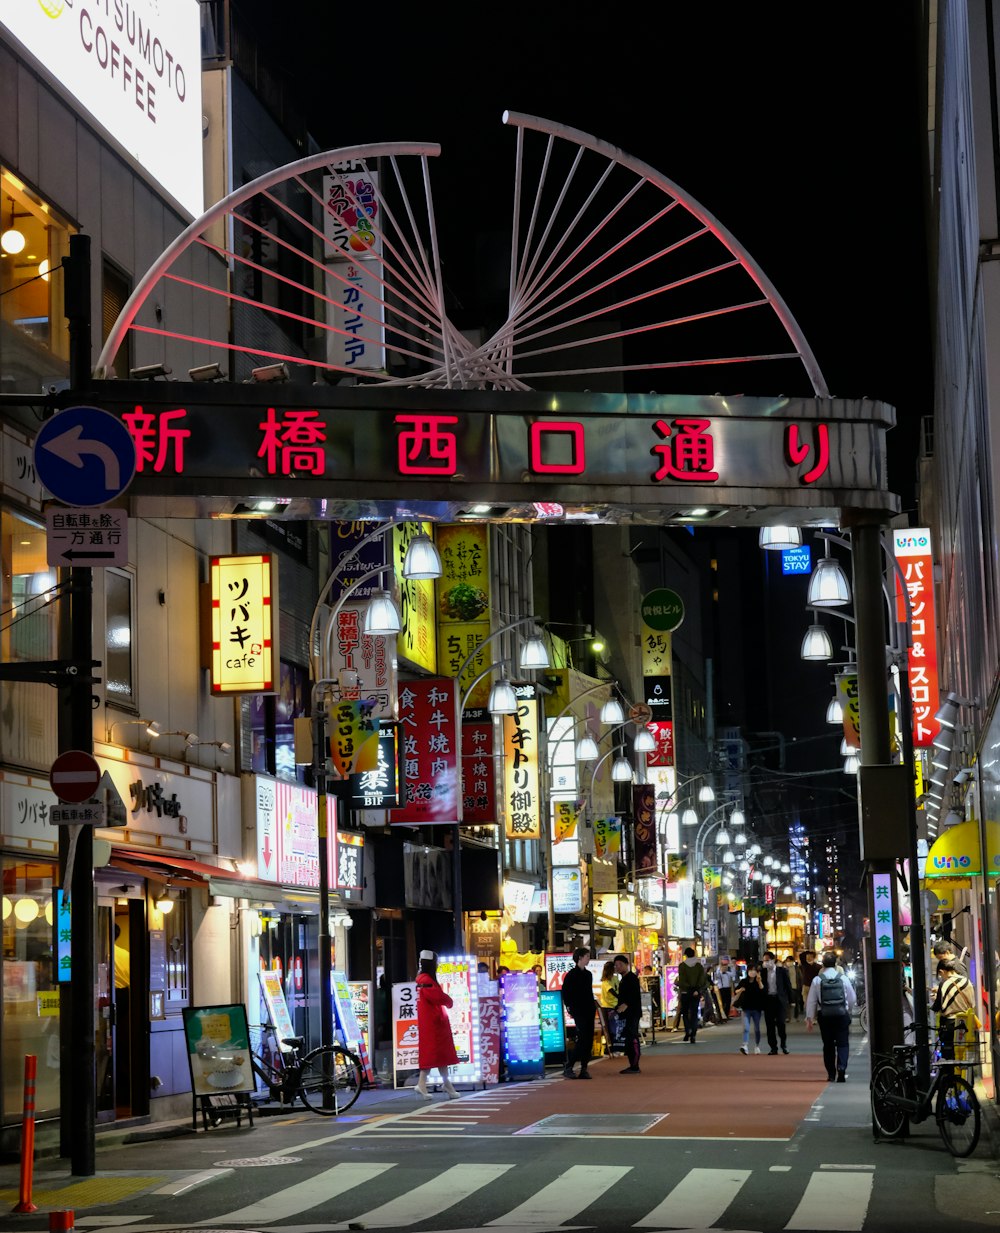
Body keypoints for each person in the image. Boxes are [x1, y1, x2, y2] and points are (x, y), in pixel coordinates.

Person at [414, 950, 459, 1099]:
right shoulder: (425, 980)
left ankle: (440, 1084)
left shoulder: (422, 979)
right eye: (436, 962)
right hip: (433, 1023)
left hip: (432, 1021)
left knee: (438, 1055)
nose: (438, 965)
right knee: (435, 1054)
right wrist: (449, 1000)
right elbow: (437, 996)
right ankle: (433, 1084)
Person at [804, 949, 856, 1081]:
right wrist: (847, 1010)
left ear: (823, 965)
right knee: (843, 1044)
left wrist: (810, 1018)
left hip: (825, 1016)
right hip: (841, 1015)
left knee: (828, 1045)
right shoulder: (843, 978)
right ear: (836, 964)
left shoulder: (817, 980)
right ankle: (842, 1068)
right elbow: (852, 998)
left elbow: (811, 1001)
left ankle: (831, 1074)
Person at [561, 946, 596, 1079]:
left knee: (588, 1039)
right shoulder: (571, 975)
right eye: (587, 956)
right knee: (582, 1038)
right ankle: (570, 1065)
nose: (588, 959)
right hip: (579, 1010)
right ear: (580, 958)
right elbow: (566, 993)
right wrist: (570, 1007)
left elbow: (588, 992)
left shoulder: (588, 974)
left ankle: (584, 1068)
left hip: (588, 1009)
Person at [931, 959, 975, 1059]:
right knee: (963, 1053)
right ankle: (964, 1073)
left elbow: (937, 1007)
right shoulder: (967, 982)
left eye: (940, 974)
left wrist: (935, 997)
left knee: (949, 1054)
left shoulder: (944, 984)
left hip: (950, 1024)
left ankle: (951, 1073)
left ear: (942, 971)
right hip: (966, 1022)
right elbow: (972, 1003)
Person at [613, 954, 642, 1073]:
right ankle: (632, 1064)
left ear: (627, 964)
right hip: (627, 1013)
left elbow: (634, 996)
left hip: (632, 1013)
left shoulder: (631, 978)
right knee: (629, 1038)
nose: (618, 967)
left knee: (632, 1037)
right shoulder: (624, 979)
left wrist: (626, 1004)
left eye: (620, 964)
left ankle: (635, 1065)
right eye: (616, 965)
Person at [732, 960, 766, 1054]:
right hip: (746, 1008)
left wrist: (759, 981)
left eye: (754, 970)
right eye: (750, 970)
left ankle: (757, 1046)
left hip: (757, 1008)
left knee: (757, 1028)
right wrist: (740, 990)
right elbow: (736, 990)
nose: (752, 972)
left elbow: (763, 990)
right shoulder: (744, 981)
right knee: (746, 1028)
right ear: (747, 971)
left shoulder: (758, 981)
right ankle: (745, 1045)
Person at [761, 951, 792, 1054]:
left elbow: (788, 986)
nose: (765, 963)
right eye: (764, 961)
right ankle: (773, 1047)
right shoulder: (762, 972)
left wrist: (791, 1000)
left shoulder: (782, 971)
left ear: (773, 960)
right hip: (768, 1001)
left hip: (779, 1001)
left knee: (781, 1024)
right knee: (769, 1026)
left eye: (767, 960)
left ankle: (784, 1044)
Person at [676, 947, 708, 1043]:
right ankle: (693, 1033)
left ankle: (687, 1030)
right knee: (694, 1013)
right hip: (696, 992)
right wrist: (697, 990)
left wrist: (687, 988)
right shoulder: (698, 966)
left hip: (685, 992)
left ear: (685, 955)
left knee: (685, 1012)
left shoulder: (682, 966)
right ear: (694, 954)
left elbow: (681, 980)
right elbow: (702, 980)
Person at [784, 954, 804, 1019]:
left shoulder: (796, 968)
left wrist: (801, 986)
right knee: (787, 1003)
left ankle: (796, 1016)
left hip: (795, 987)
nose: (788, 962)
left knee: (796, 1002)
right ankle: (788, 1017)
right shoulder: (784, 969)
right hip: (787, 988)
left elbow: (800, 977)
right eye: (787, 961)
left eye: (789, 961)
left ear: (792, 961)